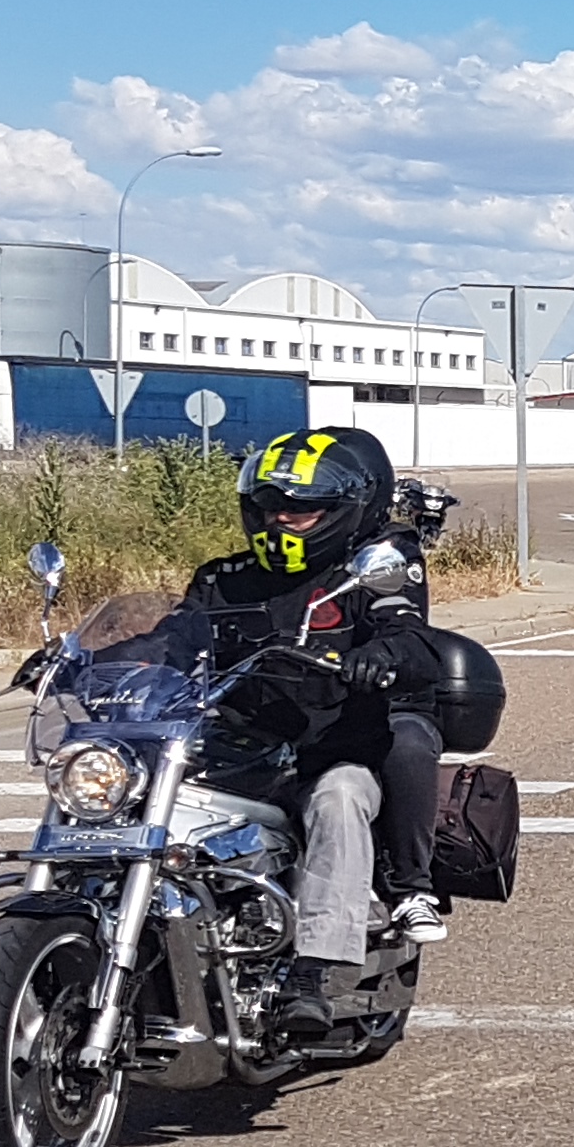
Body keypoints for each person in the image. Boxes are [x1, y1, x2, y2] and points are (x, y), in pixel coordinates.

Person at [146, 426, 449, 1039]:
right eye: (270, 505)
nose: (281, 517)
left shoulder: (368, 570)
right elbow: (171, 640)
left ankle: (315, 971)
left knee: (339, 802)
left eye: (301, 508)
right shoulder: (221, 579)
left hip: (331, 754)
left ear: (342, 511)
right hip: (231, 753)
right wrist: (92, 657)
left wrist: (384, 655)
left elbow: (412, 638)